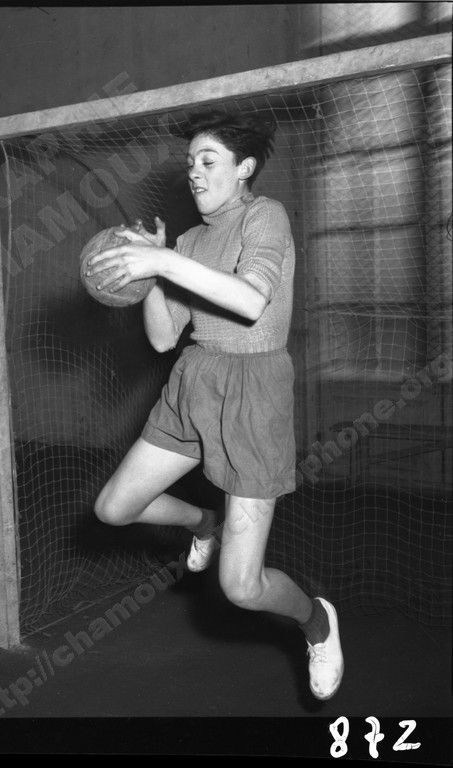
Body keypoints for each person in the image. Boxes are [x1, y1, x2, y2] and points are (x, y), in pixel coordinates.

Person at [85, 110, 343, 701]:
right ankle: (205, 523)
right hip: (194, 380)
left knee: (242, 587)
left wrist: (162, 263)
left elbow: (251, 302)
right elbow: (161, 339)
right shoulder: (189, 242)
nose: (195, 172)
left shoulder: (264, 215)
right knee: (114, 508)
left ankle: (317, 622)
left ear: (244, 167)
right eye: (191, 163)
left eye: (208, 161)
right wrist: (154, 277)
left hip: (255, 393)